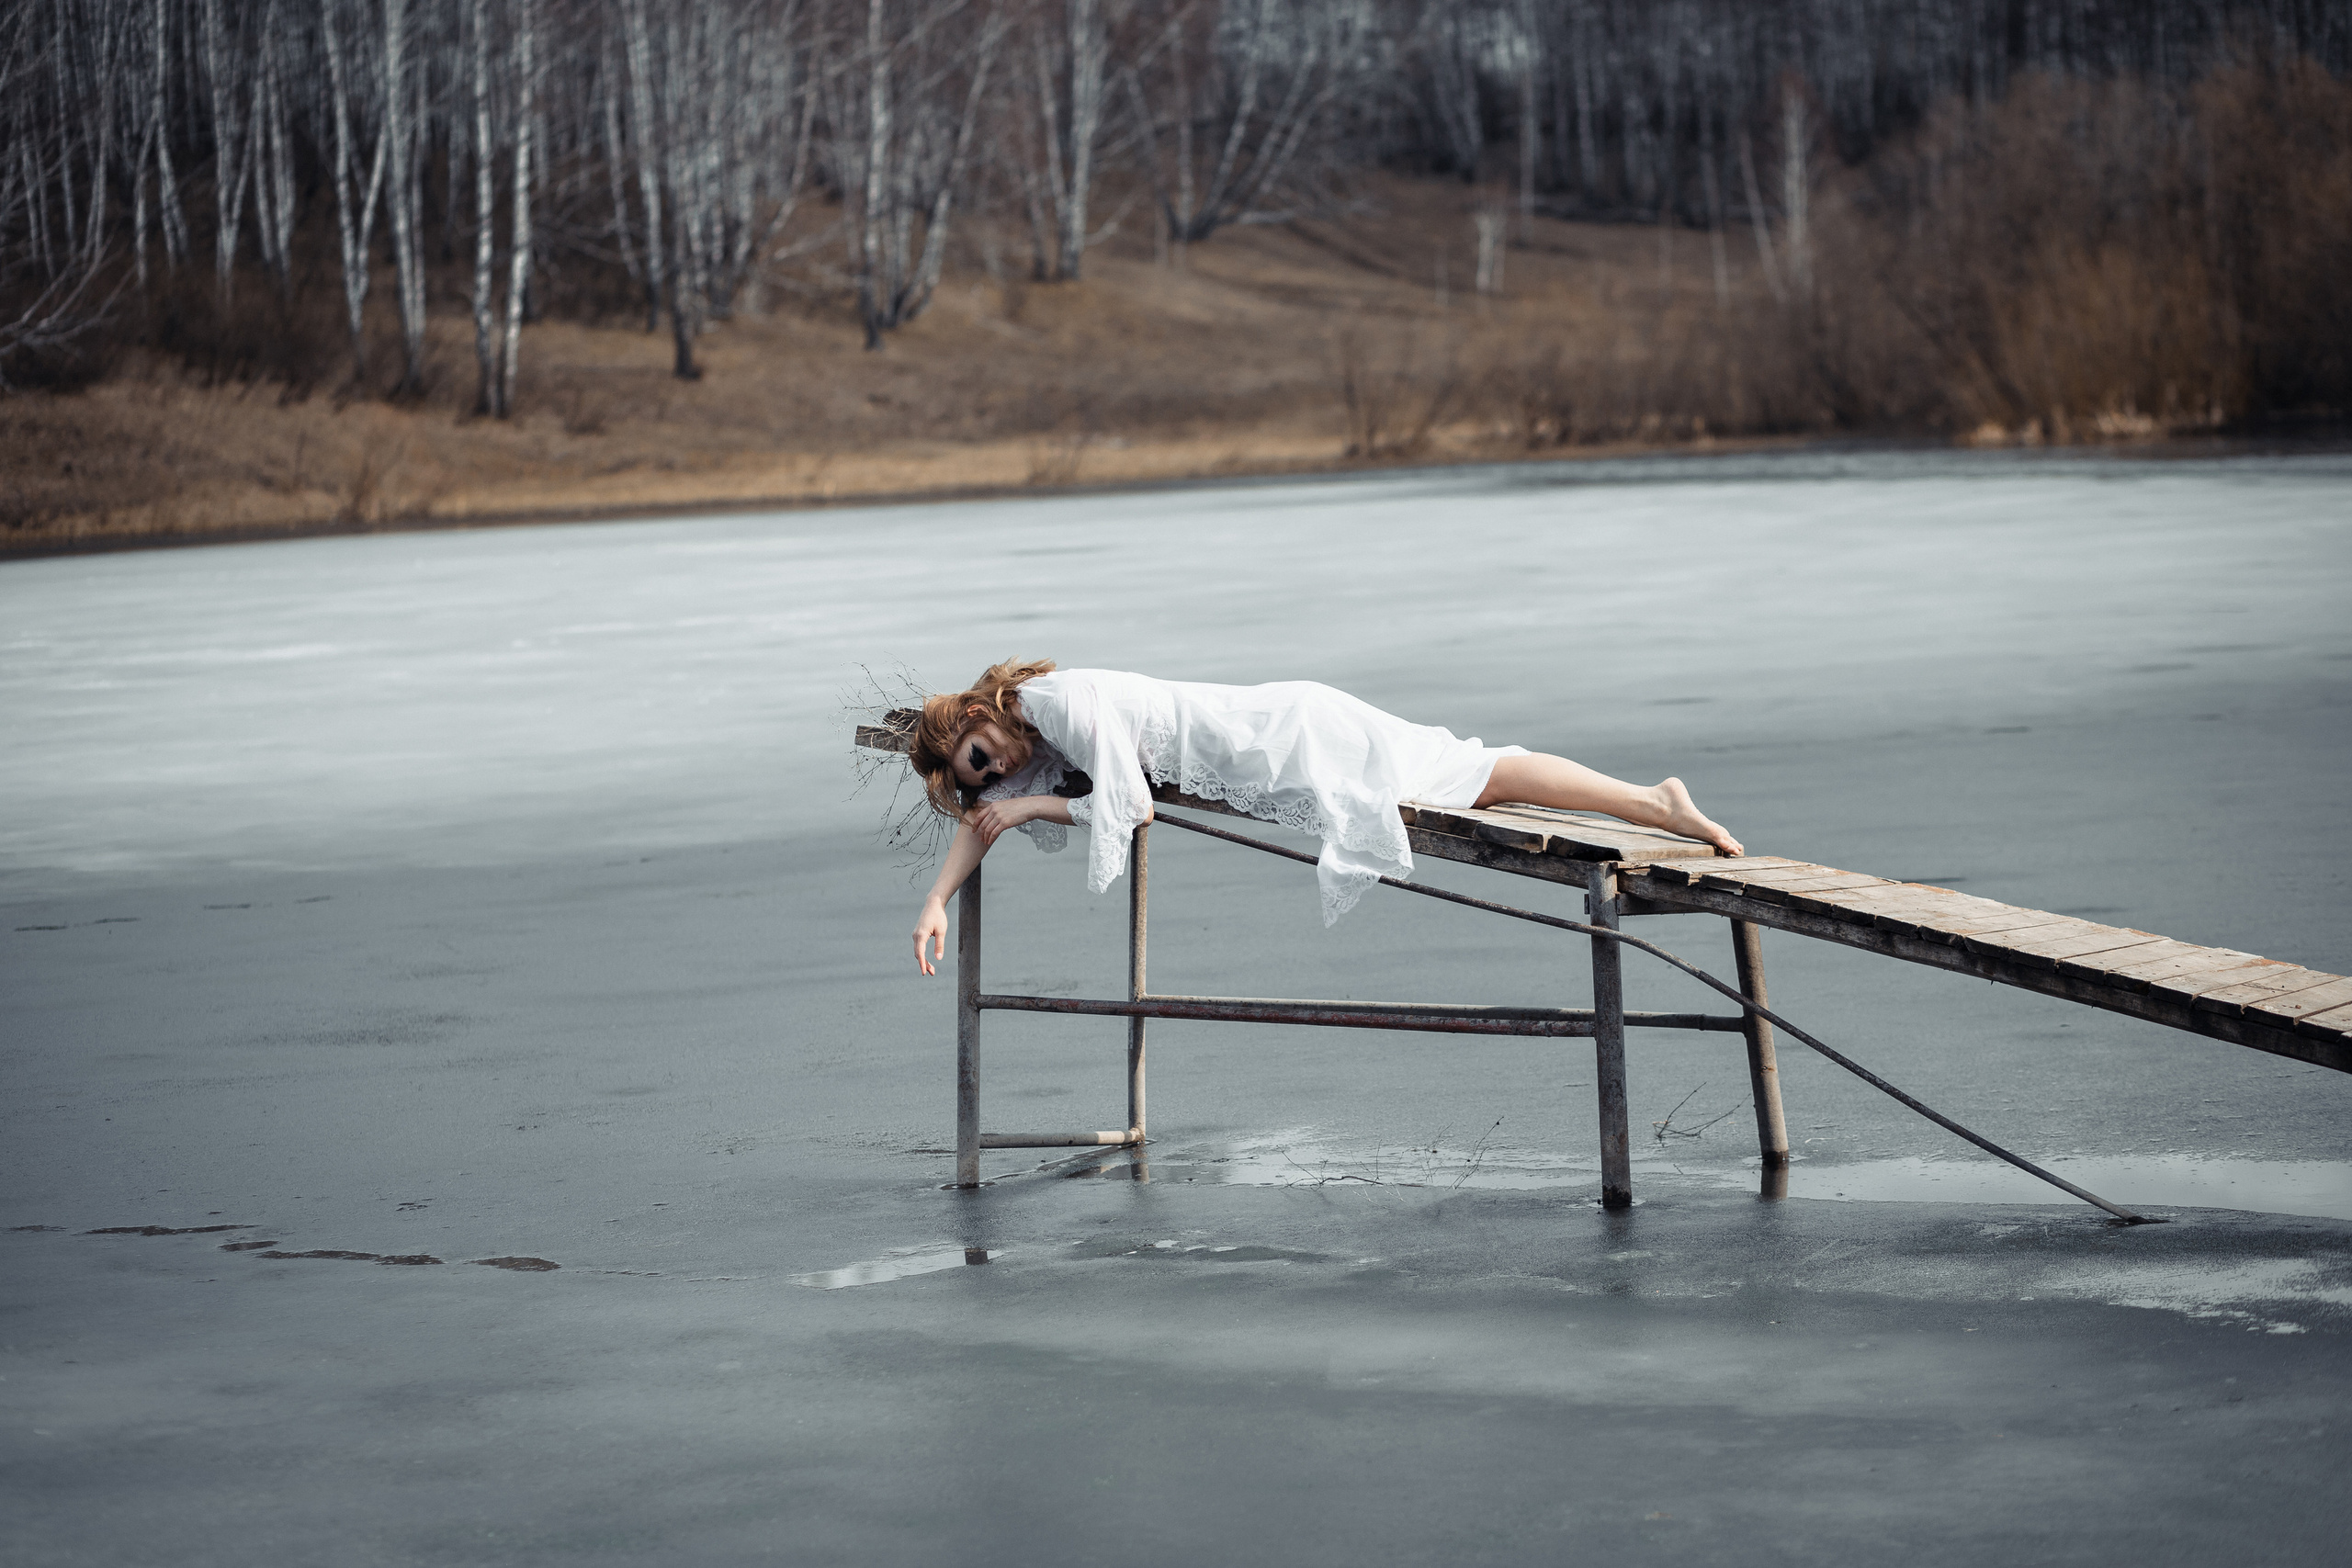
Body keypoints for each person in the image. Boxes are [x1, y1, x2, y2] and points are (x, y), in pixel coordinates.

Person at [906, 660, 1740, 975]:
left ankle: (1651, 800)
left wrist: (1030, 814)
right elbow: (984, 819)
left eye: (981, 755)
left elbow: (1132, 805)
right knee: (1469, 775)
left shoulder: (1060, 703)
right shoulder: (1037, 732)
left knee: (1471, 775)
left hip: (1288, 736)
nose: (997, 775)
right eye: (981, 776)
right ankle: (1648, 799)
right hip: (1270, 744)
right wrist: (937, 899)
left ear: (984, 713)